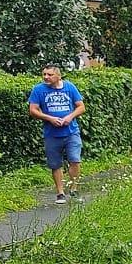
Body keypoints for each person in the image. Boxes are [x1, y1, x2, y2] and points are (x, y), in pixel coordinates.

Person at [27, 65, 85, 204]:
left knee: (75, 160)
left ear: (59, 76)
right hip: (51, 133)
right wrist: (50, 118)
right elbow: (33, 110)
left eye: (50, 75)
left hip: (71, 131)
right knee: (55, 164)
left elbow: (81, 107)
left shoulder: (70, 87)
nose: (46, 77)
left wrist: (70, 117)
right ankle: (60, 193)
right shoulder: (38, 90)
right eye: (44, 74)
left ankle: (74, 189)